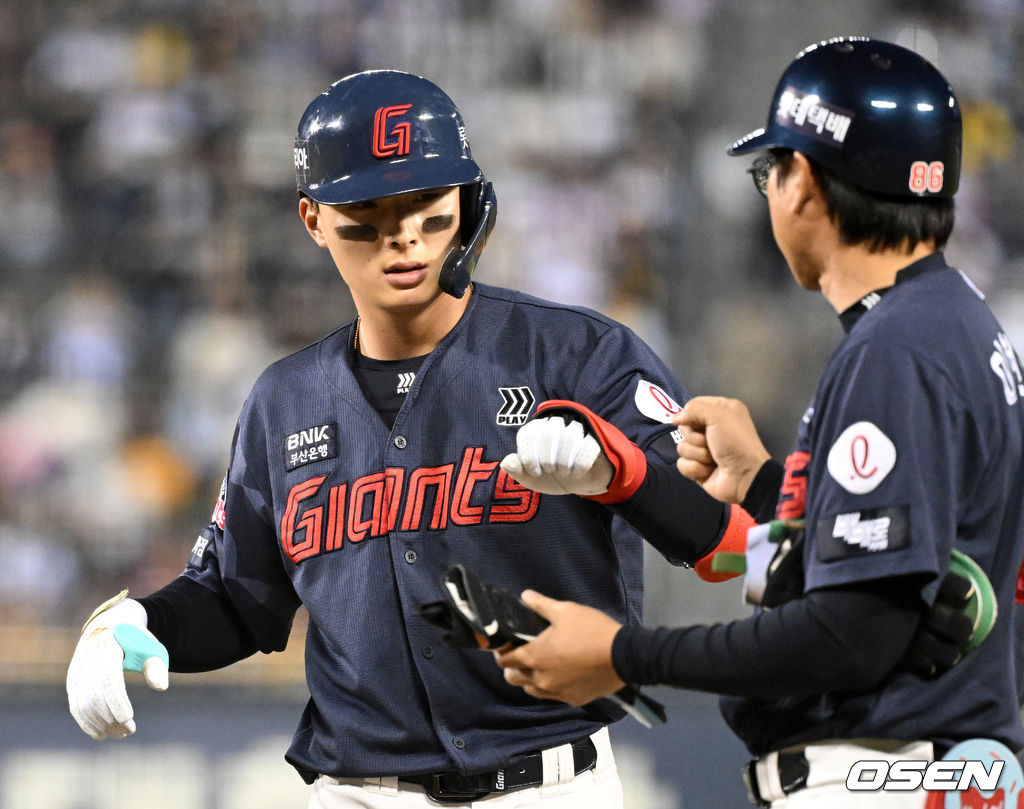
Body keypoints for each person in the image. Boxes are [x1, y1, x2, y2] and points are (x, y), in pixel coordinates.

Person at [65, 69, 755, 808]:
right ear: (313, 219)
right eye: (368, 209)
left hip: (549, 785)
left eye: (425, 202)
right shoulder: (283, 401)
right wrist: (136, 621)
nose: (403, 235)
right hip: (355, 792)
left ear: (467, 200)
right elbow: (239, 602)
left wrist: (624, 472)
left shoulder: (580, 356)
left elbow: (730, 547)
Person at [494, 37, 1024, 807]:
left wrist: (622, 652)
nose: (770, 191)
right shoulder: (956, 323)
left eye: (768, 171)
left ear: (803, 181)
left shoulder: (897, 350)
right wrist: (766, 482)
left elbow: (851, 633)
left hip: (884, 776)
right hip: (935, 768)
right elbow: (903, 560)